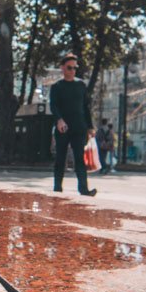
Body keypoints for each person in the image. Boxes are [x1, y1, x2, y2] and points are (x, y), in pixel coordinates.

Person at [49, 54, 96, 196]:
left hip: (79, 127)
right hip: (63, 128)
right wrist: (59, 120)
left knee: (79, 158)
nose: (72, 70)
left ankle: (84, 189)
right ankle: (57, 188)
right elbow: (53, 106)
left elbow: (86, 107)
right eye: (69, 67)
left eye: (75, 68)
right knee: (60, 158)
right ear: (62, 68)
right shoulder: (57, 86)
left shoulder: (81, 85)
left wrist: (90, 127)